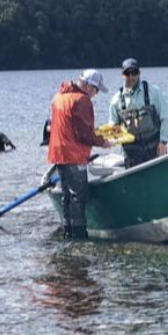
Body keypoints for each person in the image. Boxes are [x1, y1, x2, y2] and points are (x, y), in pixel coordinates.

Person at [48, 69, 111, 240]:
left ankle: (67, 232)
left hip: (59, 154)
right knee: (78, 196)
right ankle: (79, 236)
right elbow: (84, 134)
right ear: (89, 86)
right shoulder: (82, 100)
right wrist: (102, 142)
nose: (96, 94)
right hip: (74, 155)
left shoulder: (59, 97)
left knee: (66, 196)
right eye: (96, 90)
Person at [108, 58, 168, 168]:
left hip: (155, 150)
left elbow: (165, 118)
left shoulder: (154, 92)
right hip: (131, 155)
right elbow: (112, 127)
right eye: (127, 73)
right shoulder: (115, 100)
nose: (131, 77)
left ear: (139, 73)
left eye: (134, 72)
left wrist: (163, 142)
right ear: (122, 75)